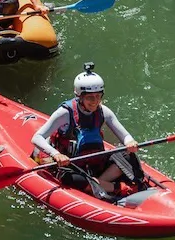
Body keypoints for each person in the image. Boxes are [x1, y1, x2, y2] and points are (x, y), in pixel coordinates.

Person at [30, 63, 145, 199]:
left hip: (94, 162)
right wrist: (56, 155)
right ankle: (115, 188)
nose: (95, 101)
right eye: (90, 97)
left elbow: (125, 136)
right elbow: (37, 138)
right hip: (70, 164)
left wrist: (130, 142)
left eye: (98, 96)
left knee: (127, 156)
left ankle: (96, 184)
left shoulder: (104, 111)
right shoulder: (65, 113)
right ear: (80, 97)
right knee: (70, 178)